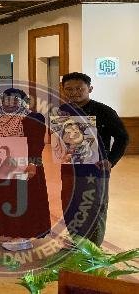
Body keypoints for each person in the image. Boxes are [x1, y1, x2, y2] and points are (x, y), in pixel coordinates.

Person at [57, 72, 128, 246]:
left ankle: (93, 248)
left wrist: (110, 160)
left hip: (96, 168)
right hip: (70, 168)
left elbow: (122, 137)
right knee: (71, 205)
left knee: (94, 206)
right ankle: (76, 241)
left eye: (79, 88)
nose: (74, 92)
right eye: (69, 89)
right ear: (63, 90)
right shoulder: (62, 111)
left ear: (90, 89)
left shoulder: (104, 111)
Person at [0, 88, 50, 252]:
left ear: (23, 102)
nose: (10, 103)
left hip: (25, 166)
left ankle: (24, 236)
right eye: (6, 99)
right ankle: (7, 230)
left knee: (23, 198)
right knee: (3, 196)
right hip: (2, 166)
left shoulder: (32, 118)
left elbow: (37, 144)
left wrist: (34, 164)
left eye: (15, 99)